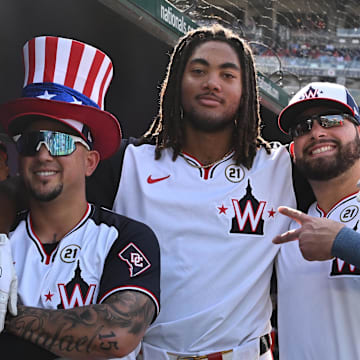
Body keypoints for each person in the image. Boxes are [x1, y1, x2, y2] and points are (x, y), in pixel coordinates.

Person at [89, 24, 301, 360]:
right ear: (175, 83)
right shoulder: (126, 163)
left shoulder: (281, 167)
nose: (212, 83)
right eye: (198, 70)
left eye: (228, 75)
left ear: (246, 90)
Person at [0, 35, 160, 360]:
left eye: (59, 142)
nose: (44, 154)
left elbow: (119, 334)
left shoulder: (125, 238)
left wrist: (11, 316)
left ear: (89, 162)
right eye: (31, 142)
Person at [275, 81, 360, 359]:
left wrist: (342, 242)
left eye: (332, 120)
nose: (317, 132)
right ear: (293, 150)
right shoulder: (284, 224)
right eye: (303, 127)